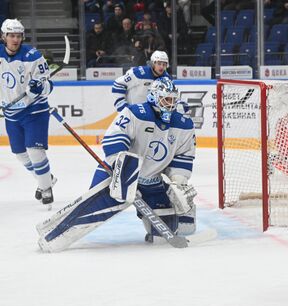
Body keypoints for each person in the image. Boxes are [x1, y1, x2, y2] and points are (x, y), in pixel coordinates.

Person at [38, 77, 197, 252]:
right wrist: (124, 172)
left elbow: (183, 157)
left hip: (151, 182)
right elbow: (115, 138)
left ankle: (152, 220)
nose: (171, 105)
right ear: (153, 97)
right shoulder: (136, 113)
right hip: (115, 173)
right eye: (166, 99)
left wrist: (178, 182)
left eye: (174, 100)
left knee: (163, 235)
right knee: (89, 210)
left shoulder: (184, 126)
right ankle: (51, 235)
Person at [0, 19, 56, 207]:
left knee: (34, 151)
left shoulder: (33, 56)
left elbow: (49, 86)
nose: (15, 39)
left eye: (18, 36)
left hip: (34, 110)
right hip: (11, 113)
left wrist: (40, 87)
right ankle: (47, 179)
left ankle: (46, 188)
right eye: (11, 35)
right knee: (20, 154)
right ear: (4, 37)